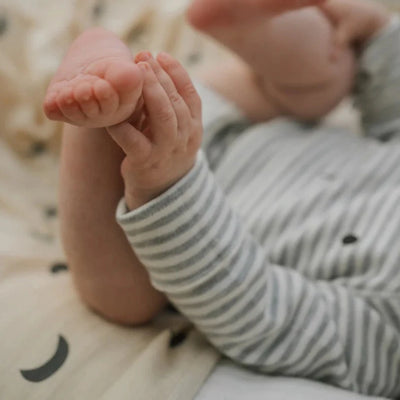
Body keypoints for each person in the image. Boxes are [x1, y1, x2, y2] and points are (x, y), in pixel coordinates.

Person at [43, 0, 400, 396]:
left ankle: (101, 83)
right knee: (339, 64)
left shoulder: (385, 342)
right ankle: (242, 22)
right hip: (239, 116)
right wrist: (378, 32)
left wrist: (167, 185)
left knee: (124, 300)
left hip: (165, 192)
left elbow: (261, 310)